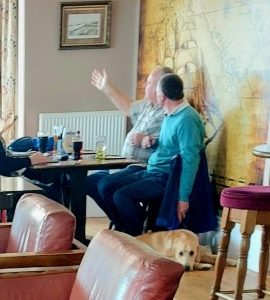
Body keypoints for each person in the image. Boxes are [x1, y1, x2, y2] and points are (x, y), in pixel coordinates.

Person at [97, 72, 205, 236]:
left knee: (122, 196)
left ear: (162, 96)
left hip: (166, 177)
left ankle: (137, 238)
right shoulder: (170, 114)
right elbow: (169, 145)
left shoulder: (187, 119)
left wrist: (183, 198)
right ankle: (132, 232)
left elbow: (190, 160)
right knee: (107, 187)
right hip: (152, 171)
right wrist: (153, 142)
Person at [87, 64, 173, 217]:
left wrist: (145, 139)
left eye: (149, 82)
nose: (144, 85)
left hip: (141, 167)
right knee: (89, 183)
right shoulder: (148, 105)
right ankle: (120, 222)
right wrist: (107, 88)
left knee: (106, 186)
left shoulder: (166, 112)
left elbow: (166, 145)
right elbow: (128, 108)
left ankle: (131, 226)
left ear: (159, 88)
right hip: (125, 165)